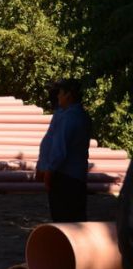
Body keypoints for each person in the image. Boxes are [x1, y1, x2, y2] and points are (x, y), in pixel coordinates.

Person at [36, 78, 91, 222]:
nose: (58, 96)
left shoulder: (69, 118)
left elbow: (59, 150)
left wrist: (49, 172)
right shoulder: (79, 116)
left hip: (64, 177)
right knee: (75, 218)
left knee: (63, 220)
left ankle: (65, 244)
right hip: (75, 176)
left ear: (68, 95)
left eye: (60, 93)